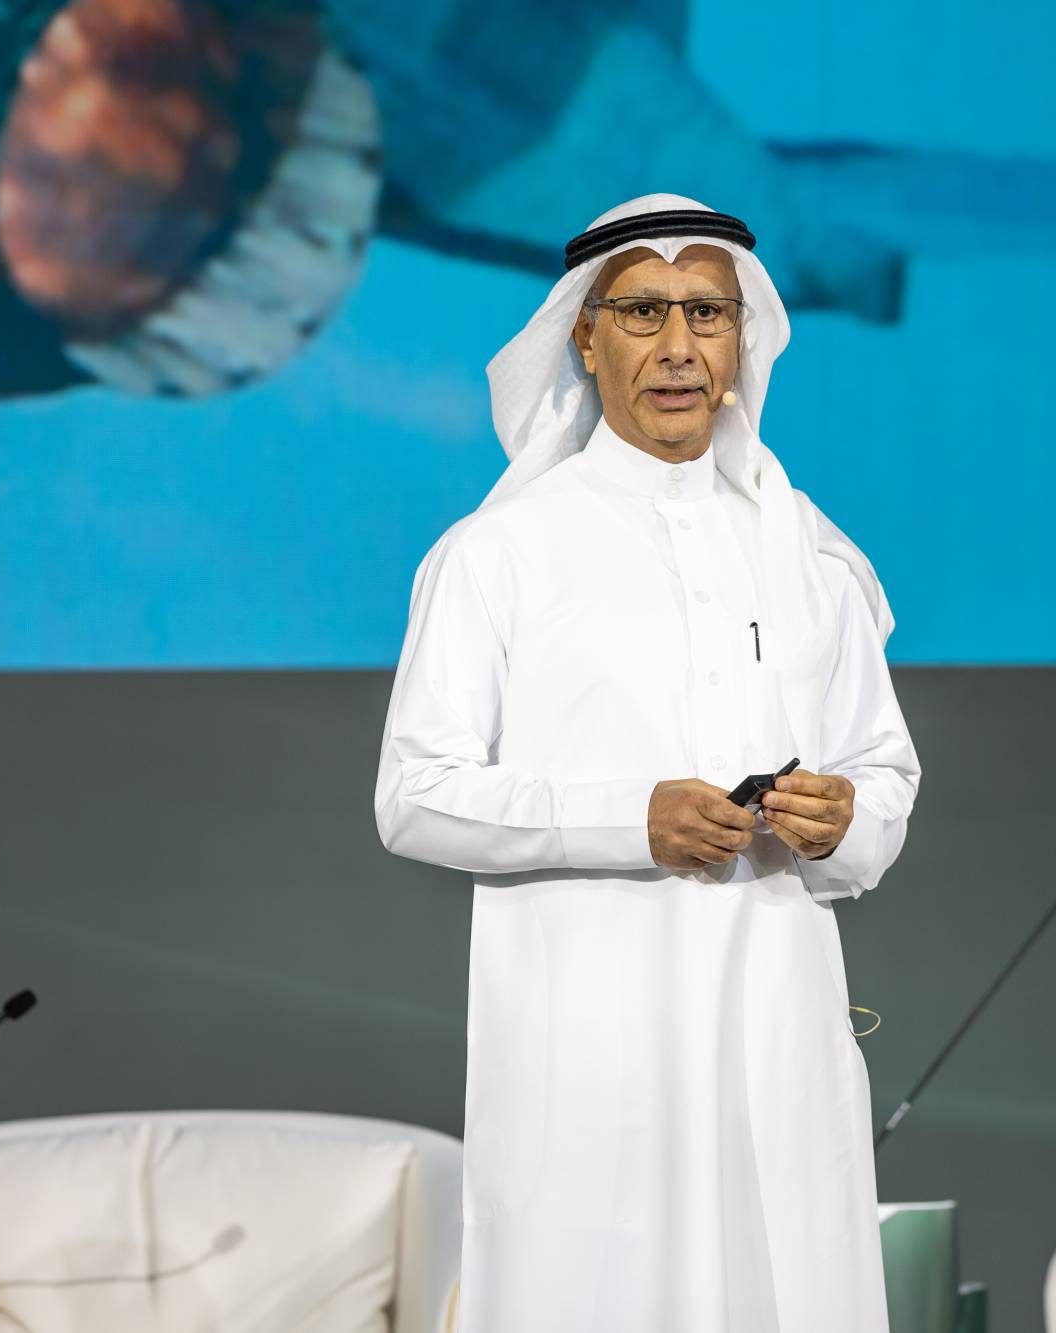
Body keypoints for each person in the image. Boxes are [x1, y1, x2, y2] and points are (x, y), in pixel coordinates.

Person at [374, 193, 921, 1333]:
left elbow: (884, 776)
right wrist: (631, 821)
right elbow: (414, 794)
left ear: (742, 337)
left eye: (705, 312)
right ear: (585, 336)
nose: (678, 346)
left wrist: (840, 819)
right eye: (642, 312)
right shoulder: (499, 555)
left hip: (778, 1048)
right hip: (588, 1067)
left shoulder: (809, 554)